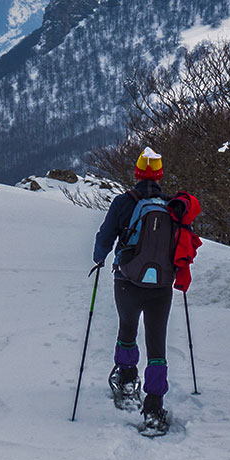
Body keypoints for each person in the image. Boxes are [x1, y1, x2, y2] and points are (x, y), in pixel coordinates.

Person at [93, 147, 199, 432]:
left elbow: (104, 239)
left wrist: (99, 257)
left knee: (127, 329)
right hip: (162, 287)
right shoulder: (172, 207)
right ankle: (154, 406)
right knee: (157, 344)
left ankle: (127, 381)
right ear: (161, 175)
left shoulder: (123, 203)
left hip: (127, 281)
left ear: (137, 173)